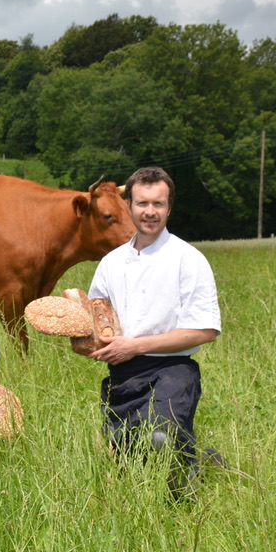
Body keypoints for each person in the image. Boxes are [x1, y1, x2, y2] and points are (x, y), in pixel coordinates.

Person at [69, 166, 221, 496]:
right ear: (129, 207)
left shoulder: (188, 260)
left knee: (161, 436)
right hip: (122, 375)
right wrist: (78, 333)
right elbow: (98, 321)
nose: (150, 212)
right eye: (142, 203)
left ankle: (183, 503)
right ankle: (204, 463)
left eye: (158, 204)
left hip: (173, 370)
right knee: (131, 467)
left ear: (169, 207)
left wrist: (135, 346)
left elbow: (205, 331)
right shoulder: (110, 263)